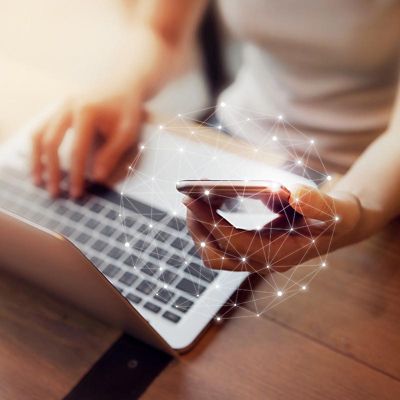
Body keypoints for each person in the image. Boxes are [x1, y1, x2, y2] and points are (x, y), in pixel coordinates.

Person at [30, 0, 400, 271]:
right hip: (235, 139)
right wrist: (118, 86)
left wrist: (359, 210)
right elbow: (160, 28)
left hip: (369, 177)